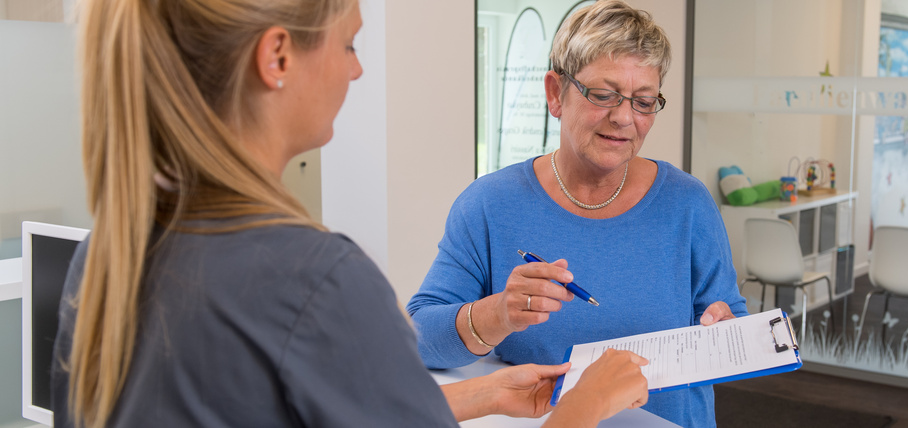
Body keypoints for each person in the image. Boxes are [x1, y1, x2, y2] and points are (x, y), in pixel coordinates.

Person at [50, 0, 651, 427]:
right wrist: (585, 406)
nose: (356, 68)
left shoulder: (108, 254)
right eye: (349, 43)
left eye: (644, 100)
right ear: (278, 57)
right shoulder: (315, 280)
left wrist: (482, 395)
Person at [406, 1, 749, 426]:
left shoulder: (688, 204)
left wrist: (726, 329)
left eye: (643, 102)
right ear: (555, 92)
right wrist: (499, 313)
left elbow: (729, 318)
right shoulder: (489, 204)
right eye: (603, 95)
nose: (624, 118)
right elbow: (418, 340)